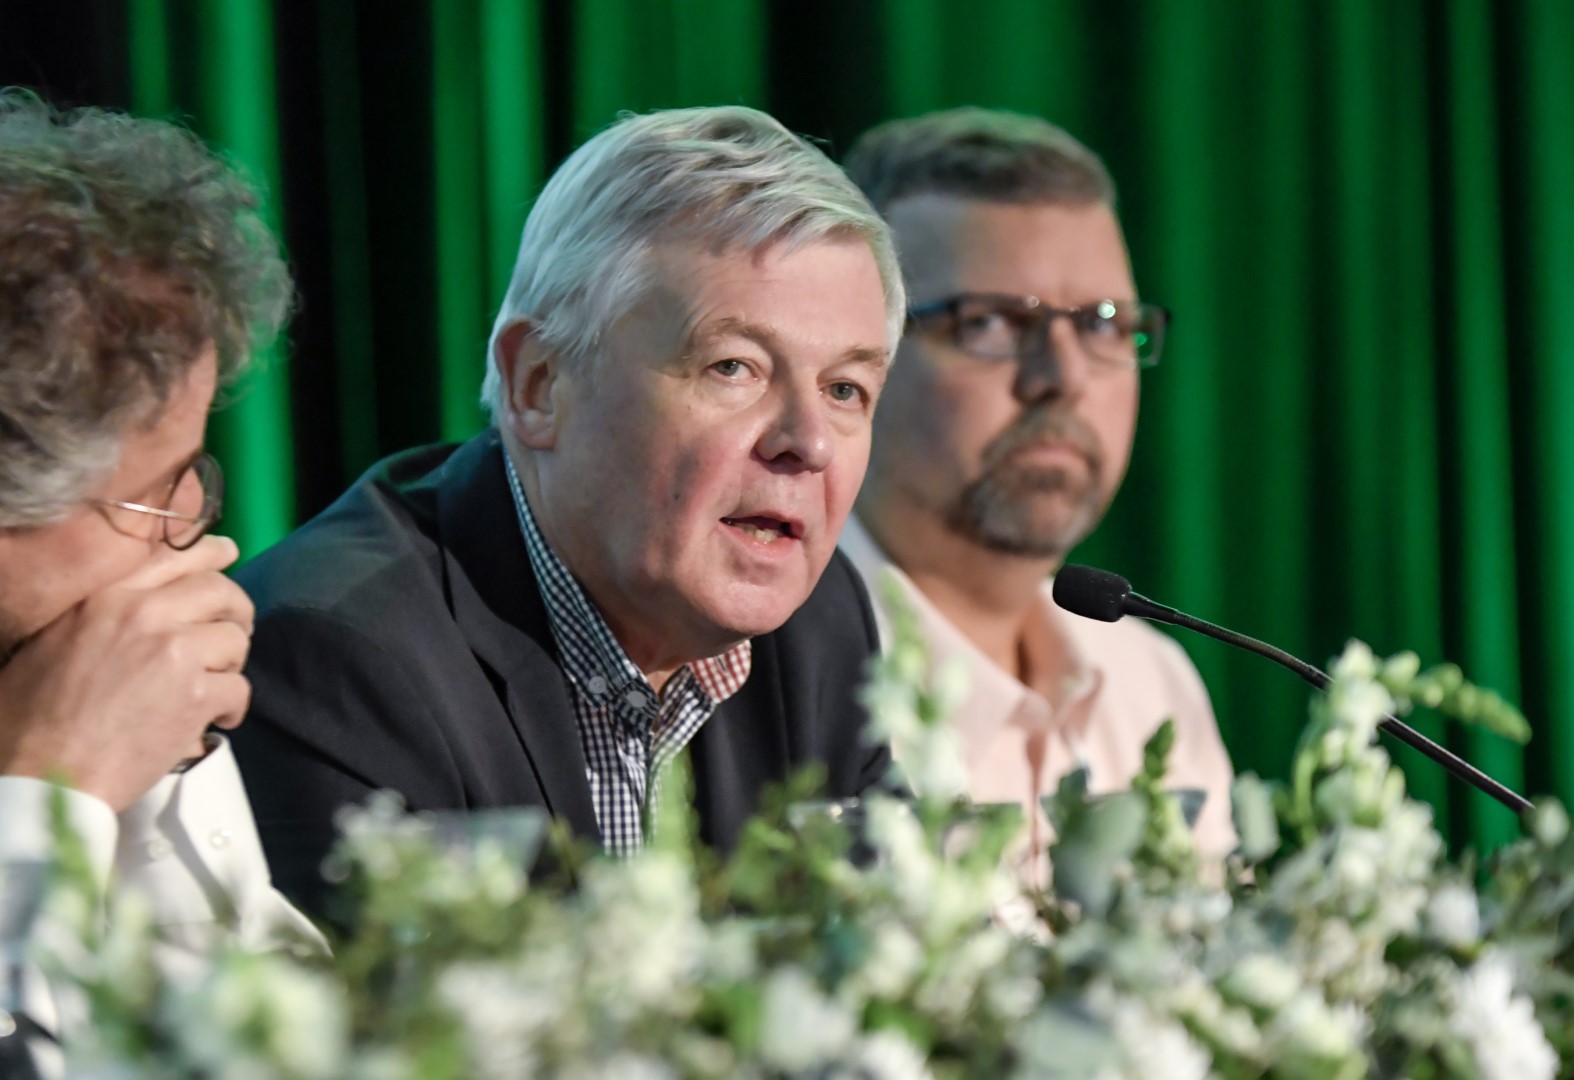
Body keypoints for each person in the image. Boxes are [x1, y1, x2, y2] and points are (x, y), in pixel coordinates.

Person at [233, 106, 904, 916]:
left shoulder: (818, 628)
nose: (810, 443)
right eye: (734, 367)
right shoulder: (339, 658)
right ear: (539, 386)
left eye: (845, 389)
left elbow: (894, 961)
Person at [0, 90, 321, 1072]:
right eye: (153, 493)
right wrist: (48, 788)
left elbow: (261, 1034)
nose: (191, 532)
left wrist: (155, 767)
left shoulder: (85, 653)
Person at [839, 108, 1236, 873]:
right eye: (990, 322)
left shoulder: (1148, 682)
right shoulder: (766, 679)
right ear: (856, 358)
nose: (1064, 378)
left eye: (1104, 324)